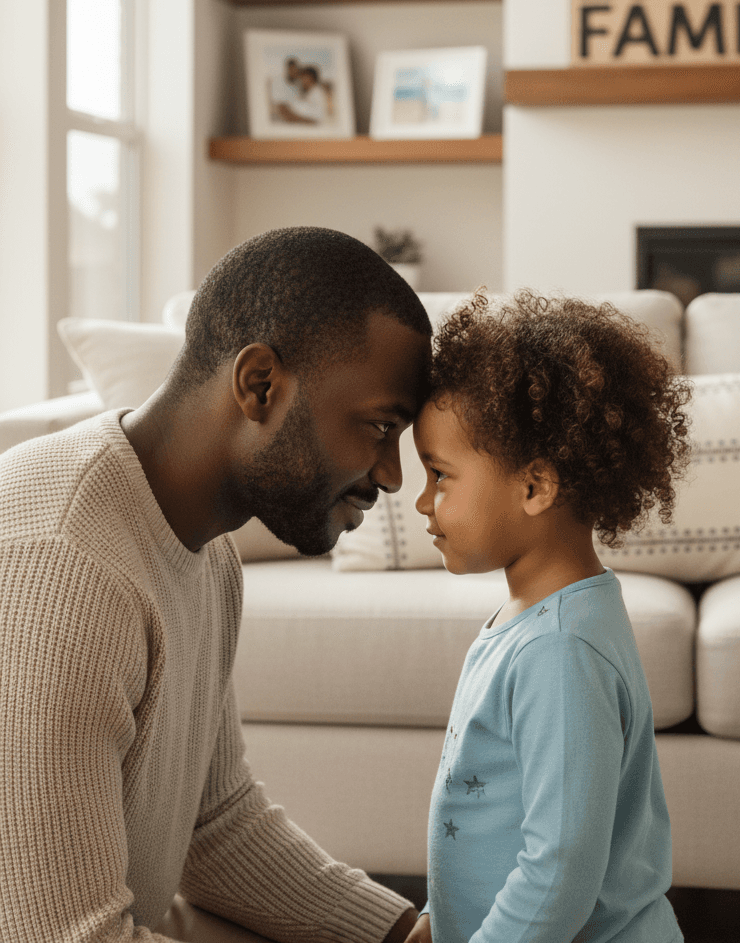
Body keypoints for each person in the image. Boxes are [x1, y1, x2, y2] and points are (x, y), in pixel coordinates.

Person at [0, 227, 432, 943]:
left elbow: (216, 823)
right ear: (260, 384)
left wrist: (404, 935)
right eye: (380, 426)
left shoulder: (207, 551)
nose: (390, 475)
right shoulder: (64, 565)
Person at [411, 290, 692, 943]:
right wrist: (438, 916)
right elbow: (494, 818)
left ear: (535, 487)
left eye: (440, 475)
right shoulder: (540, 619)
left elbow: (559, 873)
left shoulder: (559, 650)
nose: (423, 501)